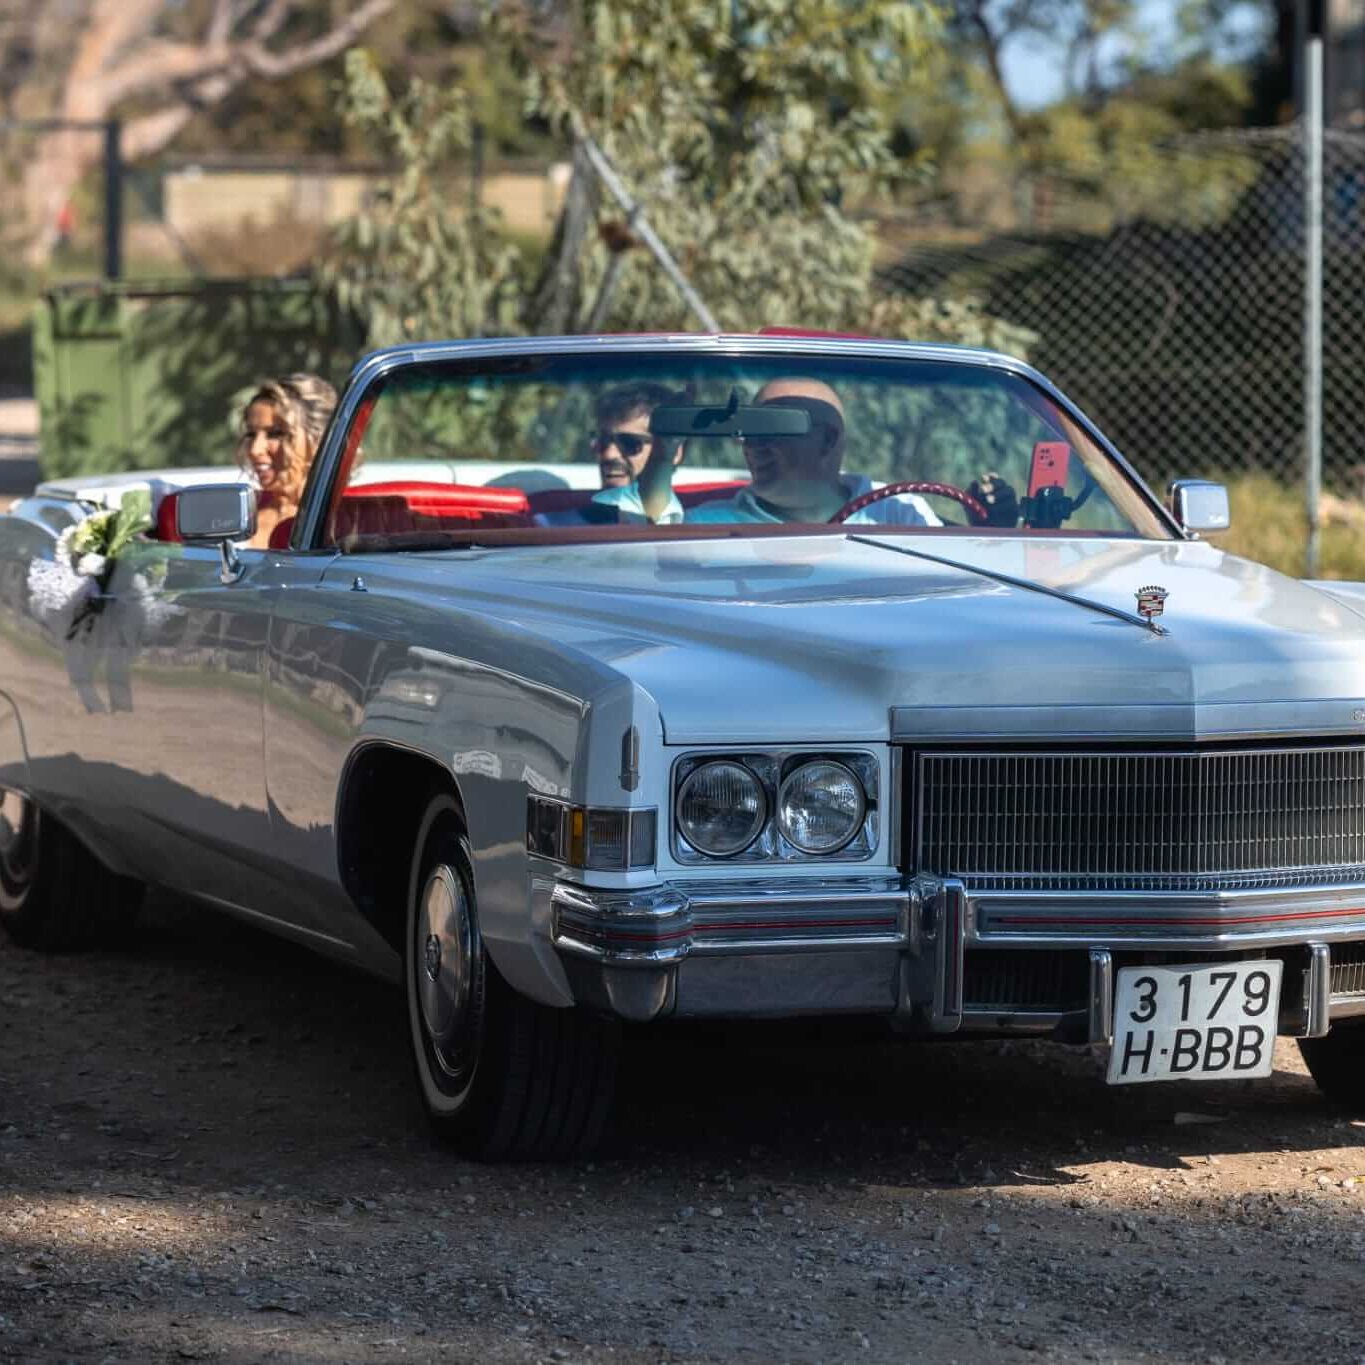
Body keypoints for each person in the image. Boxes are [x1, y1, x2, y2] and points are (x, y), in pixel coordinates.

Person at [234, 373, 338, 549]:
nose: (254, 450)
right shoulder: (239, 516)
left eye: (276, 433)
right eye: (251, 434)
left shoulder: (349, 521)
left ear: (320, 439)